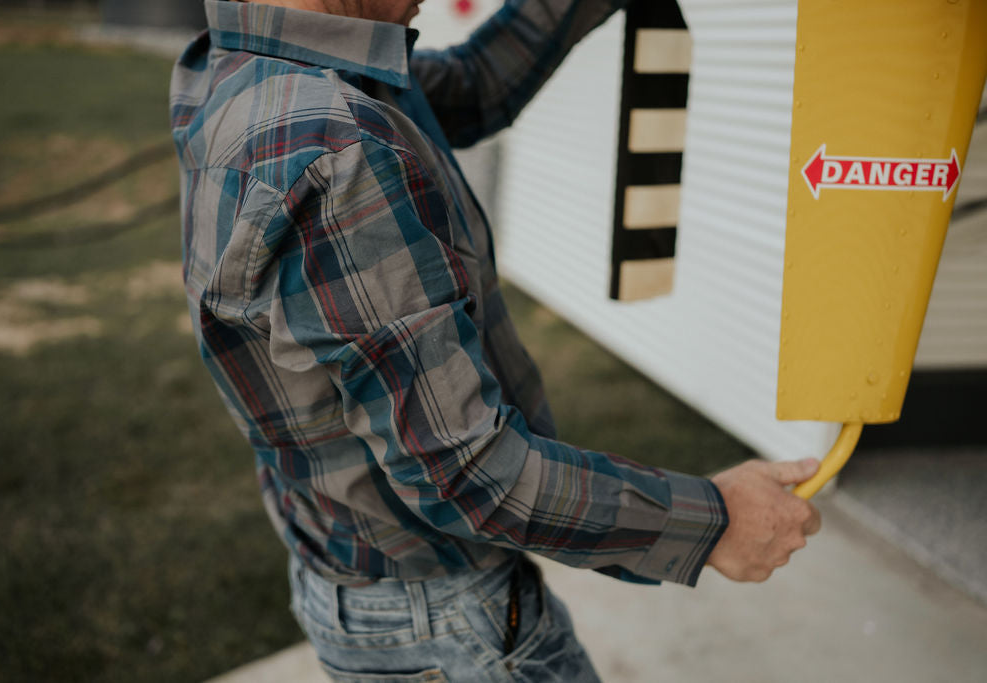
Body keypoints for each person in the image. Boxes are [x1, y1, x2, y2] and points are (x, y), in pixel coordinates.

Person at [169, 0, 822, 680]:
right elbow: (469, 473)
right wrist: (712, 522)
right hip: (446, 626)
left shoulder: (236, 66)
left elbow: (472, 87)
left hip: (358, 576)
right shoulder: (333, 148)